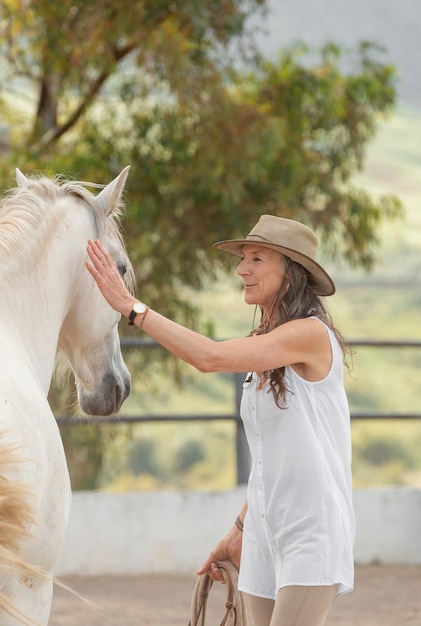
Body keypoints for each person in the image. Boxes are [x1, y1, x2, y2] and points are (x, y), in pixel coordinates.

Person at [86, 214, 355, 626]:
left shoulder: (310, 335)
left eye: (257, 259)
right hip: (265, 530)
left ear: (291, 271)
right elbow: (270, 455)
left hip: (311, 529)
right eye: (243, 258)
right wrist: (239, 529)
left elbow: (209, 358)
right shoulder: (265, 343)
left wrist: (131, 307)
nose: (241, 269)